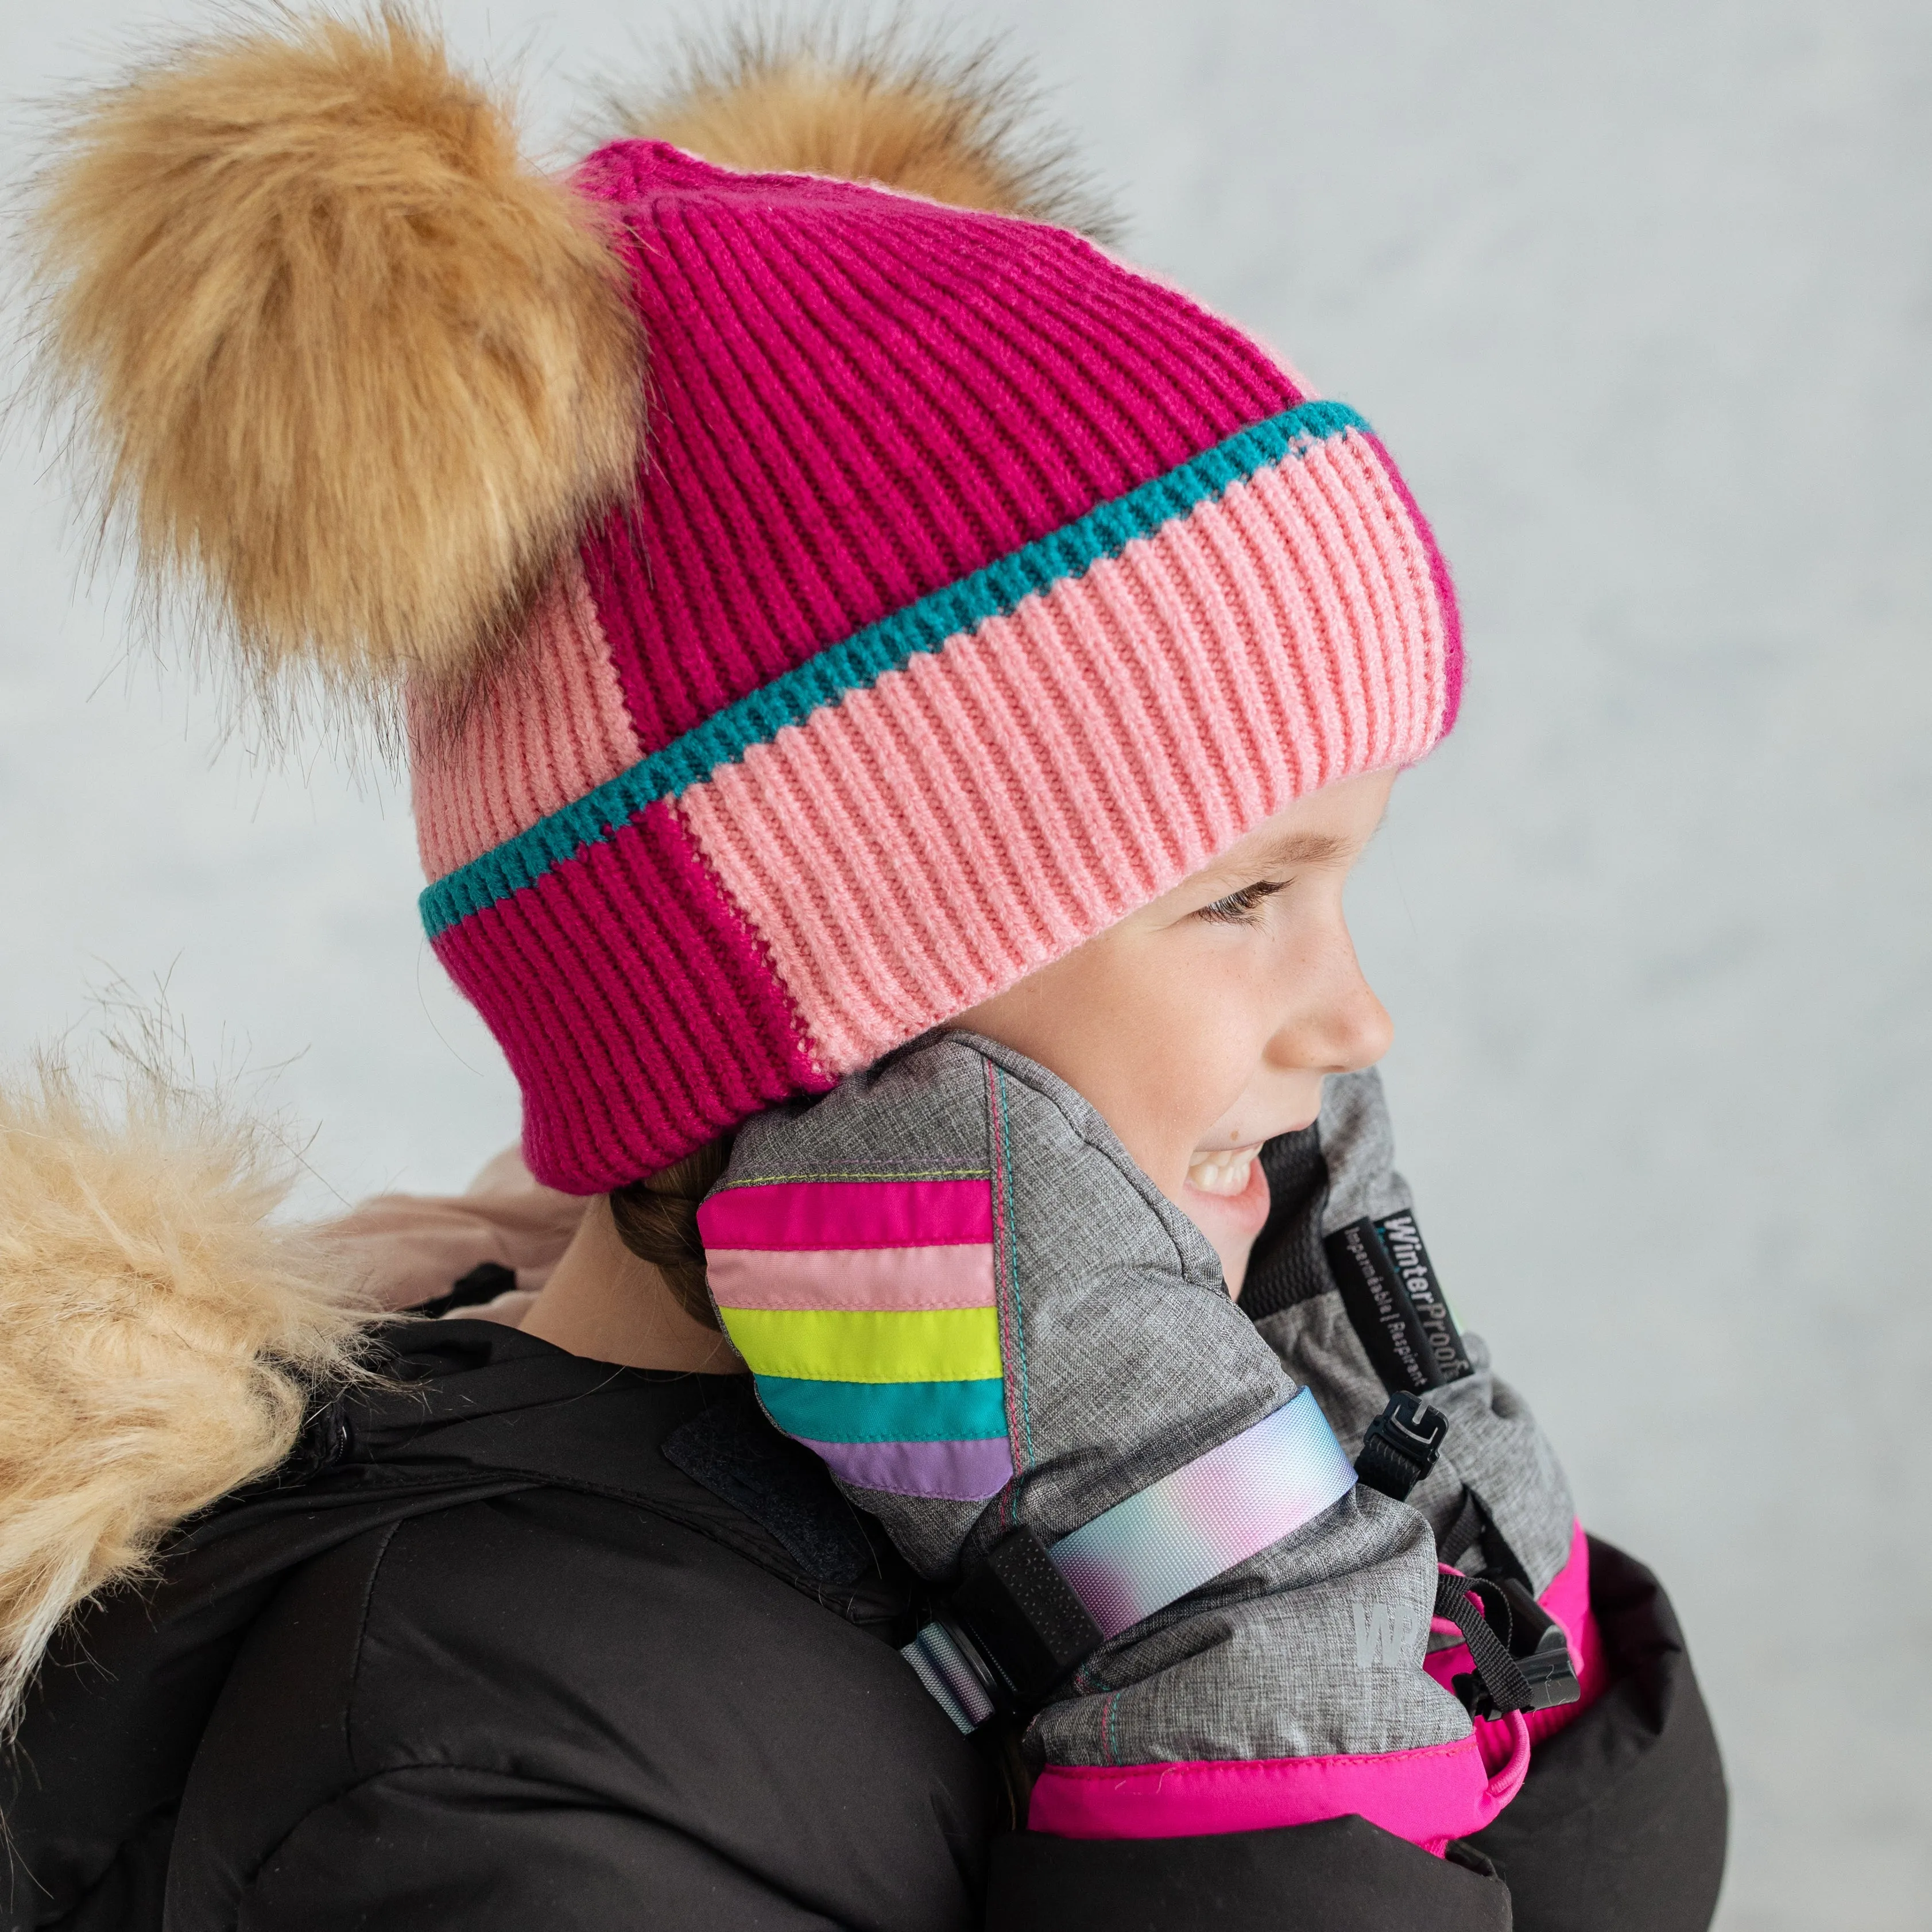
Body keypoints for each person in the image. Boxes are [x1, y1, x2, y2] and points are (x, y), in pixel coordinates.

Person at [0, 12, 1727, 1928]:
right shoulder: (478, 1741)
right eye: (1246, 897)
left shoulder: (1082, 1460)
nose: (1356, 1021)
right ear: (847, 1006)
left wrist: (1418, 1517)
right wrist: (1253, 1680)